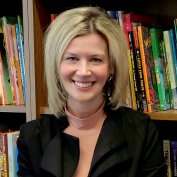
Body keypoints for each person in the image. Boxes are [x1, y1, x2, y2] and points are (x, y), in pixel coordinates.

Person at [17, 6, 166, 177]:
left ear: (111, 67)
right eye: (72, 58)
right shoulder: (31, 138)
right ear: (56, 65)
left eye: (96, 59)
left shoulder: (142, 132)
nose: (83, 71)